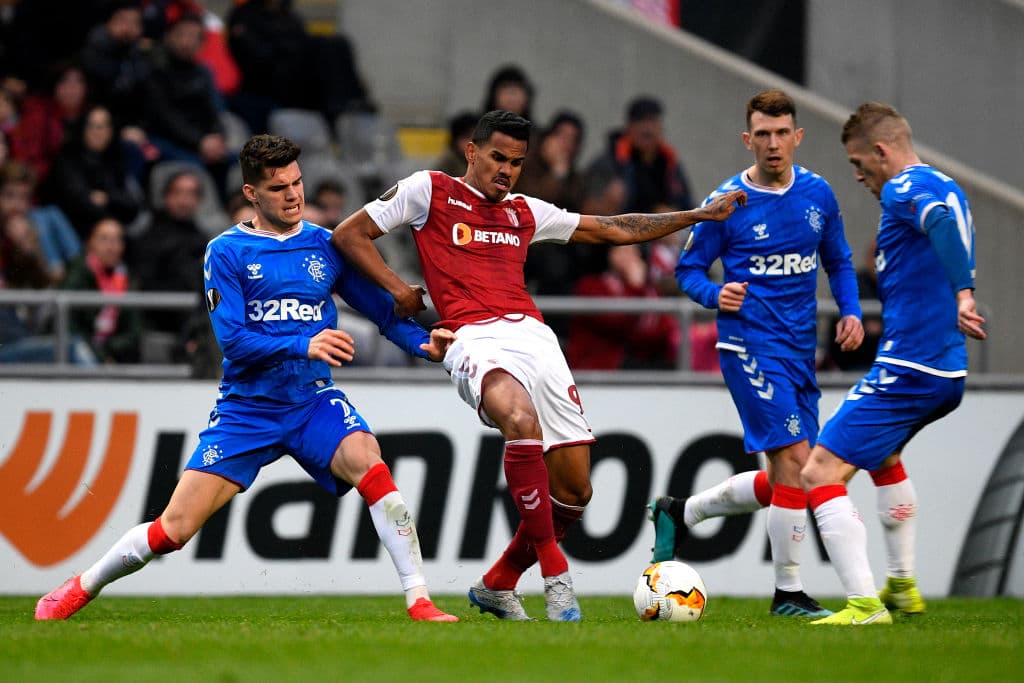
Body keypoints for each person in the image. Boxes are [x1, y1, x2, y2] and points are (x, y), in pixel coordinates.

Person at [331, 109, 746, 621]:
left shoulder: (525, 211)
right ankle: (556, 574)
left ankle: (498, 583)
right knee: (519, 419)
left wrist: (698, 215)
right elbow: (347, 234)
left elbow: (613, 228)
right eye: (497, 158)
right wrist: (397, 289)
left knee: (574, 491)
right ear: (471, 152)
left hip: (535, 338)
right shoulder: (429, 190)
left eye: (516, 162)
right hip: (471, 336)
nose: (506, 170)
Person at [35, 133, 459, 622]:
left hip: (311, 401)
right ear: (251, 193)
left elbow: (383, 314)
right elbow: (233, 341)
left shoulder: (326, 245)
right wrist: (304, 343)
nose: (293, 195)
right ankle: (82, 586)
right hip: (247, 408)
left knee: (372, 466)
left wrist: (423, 345)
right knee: (172, 530)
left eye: (297, 183)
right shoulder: (226, 252)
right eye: (279, 188)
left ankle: (419, 600)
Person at [648, 90, 864, 617]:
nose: (772, 143)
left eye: (781, 133)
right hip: (748, 346)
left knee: (793, 475)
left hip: (800, 350)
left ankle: (681, 512)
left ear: (797, 136)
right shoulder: (727, 202)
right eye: (762, 134)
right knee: (797, 462)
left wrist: (852, 311)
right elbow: (687, 270)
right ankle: (788, 592)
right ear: (748, 139)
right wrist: (713, 294)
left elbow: (838, 260)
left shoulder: (818, 194)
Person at [800, 102, 985, 625]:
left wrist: (964, 294)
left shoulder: (904, 189)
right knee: (883, 457)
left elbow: (938, 221)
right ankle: (902, 585)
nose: (859, 177)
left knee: (818, 471)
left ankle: (863, 605)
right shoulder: (946, 183)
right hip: (945, 369)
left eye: (859, 164)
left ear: (881, 152)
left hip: (911, 366)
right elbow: (944, 221)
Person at [60, 216, 144, 364]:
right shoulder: (77, 274)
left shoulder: (129, 279)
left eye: (116, 240)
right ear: (90, 243)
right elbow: (69, 325)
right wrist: (98, 354)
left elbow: (133, 332)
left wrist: (107, 351)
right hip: (80, 352)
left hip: (112, 354)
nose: (110, 247)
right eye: (104, 239)